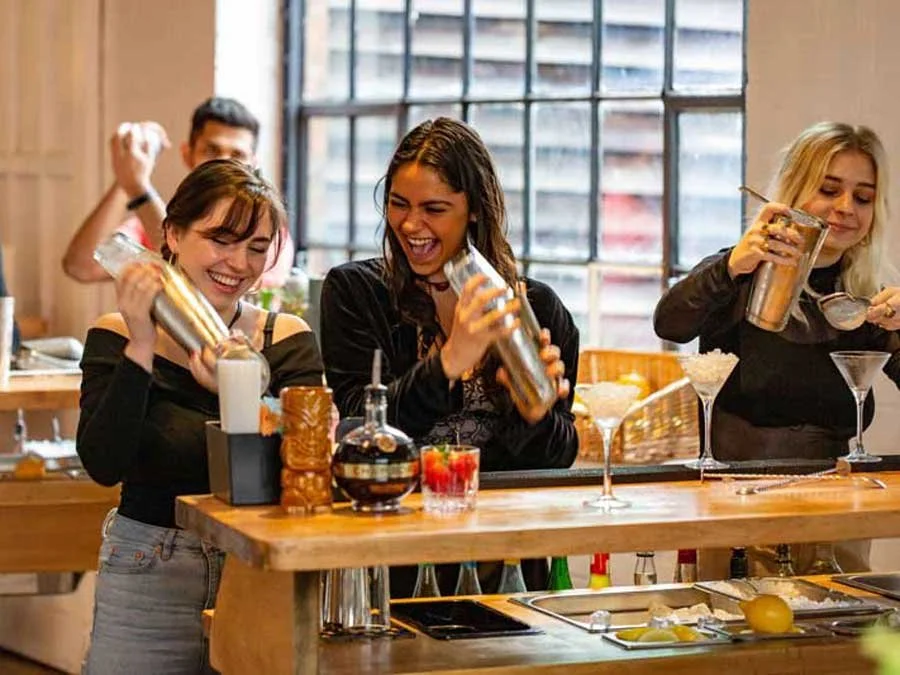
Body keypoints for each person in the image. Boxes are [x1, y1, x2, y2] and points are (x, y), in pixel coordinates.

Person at [77, 159, 323, 674]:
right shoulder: (116, 333)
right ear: (173, 233)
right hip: (148, 566)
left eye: (257, 247)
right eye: (221, 239)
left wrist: (237, 393)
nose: (239, 263)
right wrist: (141, 347)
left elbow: (308, 469)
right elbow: (103, 463)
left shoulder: (286, 339)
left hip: (258, 571)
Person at [320, 117, 579, 595]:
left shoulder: (536, 306)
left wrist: (535, 414)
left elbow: (558, 458)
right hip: (393, 565)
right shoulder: (356, 292)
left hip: (507, 569)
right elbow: (355, 433)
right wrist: (446, 365)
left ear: (474, 210)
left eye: (434, 209)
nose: (410, 224)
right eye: (398, 204)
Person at [654, 121, 900, 573]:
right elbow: (669, 322)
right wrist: (731, 266)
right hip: (737, 510)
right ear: (793, 190)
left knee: (848, 620)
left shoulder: (868, 299)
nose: (845, 208)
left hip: (835, 515)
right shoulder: (741, 273)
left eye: (863, 197)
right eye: (828, 190)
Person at [62, 97, 293, 287]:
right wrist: (127, 177)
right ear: (187, 154)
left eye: (237, 155)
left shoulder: (267, 230)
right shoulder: (145, 224)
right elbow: (81, 267)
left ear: (253, 163)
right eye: (211, 150)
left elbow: (208, 287)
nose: (223, 163)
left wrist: (139, 190)